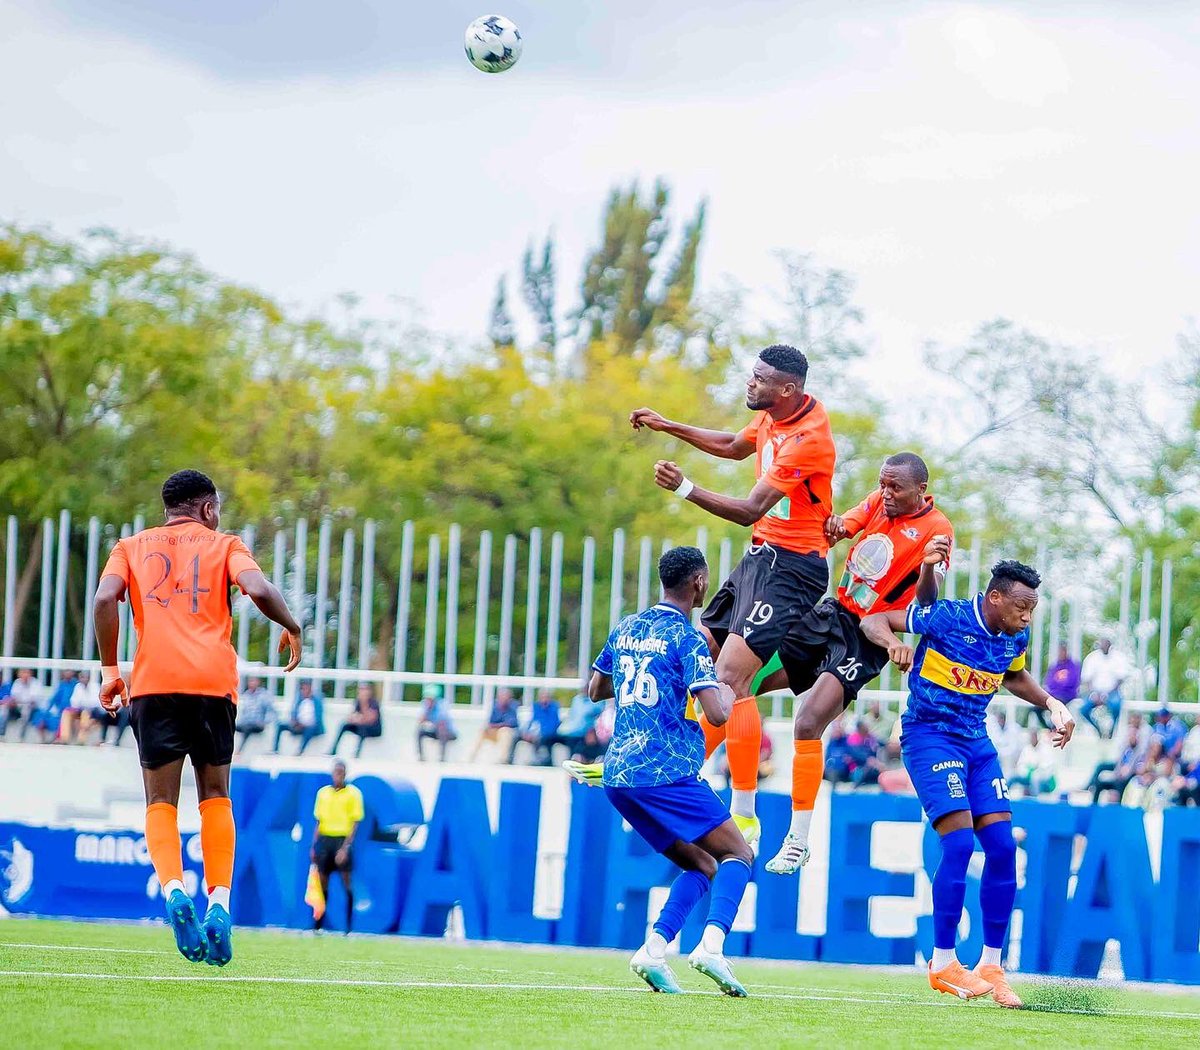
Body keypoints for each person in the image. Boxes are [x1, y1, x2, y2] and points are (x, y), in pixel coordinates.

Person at [93, 469, 303, 966]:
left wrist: (109, 672)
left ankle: (173, 892)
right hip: (212, 685)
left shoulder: (129, 546)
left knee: (160, 801)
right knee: (215, 796)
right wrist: (292, 625)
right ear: (206, 509)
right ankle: (220, 906)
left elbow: (105, 600)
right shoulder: (225, 544)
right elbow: (257, 588)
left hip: (154, 685)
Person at [629, 344, 837, 845]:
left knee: (729, 679)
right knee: (699, 655)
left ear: (787, 389)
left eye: (760, 378)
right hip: (760, 558)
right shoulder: (773, 416)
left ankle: (737, 809)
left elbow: (749, 509)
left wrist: (684, 489)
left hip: (794, 570)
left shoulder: (807, 439)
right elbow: (732, 445)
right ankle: (658, 762)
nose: (750, 382)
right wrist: (668, 425)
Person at [861, 559, 1075, 1008]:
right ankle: (942, 963)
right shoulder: (948, 616)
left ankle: (992, 967)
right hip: (930, 737)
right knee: (958, 846)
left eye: (1033, 608)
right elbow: (874, 617)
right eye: (1022, 605)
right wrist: (893, 643)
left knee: (1001, 848)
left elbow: (1014, 675)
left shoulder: (1015, 634)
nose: (1028, 616)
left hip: (977, 743)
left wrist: (1053, 704)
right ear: (995, 597)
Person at [761, 453, 954, 875]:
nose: (885, 493)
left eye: (895, 488)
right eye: (882, 484)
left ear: (921, 489)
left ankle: (797, 840)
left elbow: (927, 602)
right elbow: (841, 527)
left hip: (869, 637)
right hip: (833, 614)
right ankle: (685, 760)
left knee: (807, 723)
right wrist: (830, 528)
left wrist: (926, 567)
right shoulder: (877, 502)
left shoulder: (937, 529)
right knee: (743, 682)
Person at [589, 545, 753, 997]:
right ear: (698, 582)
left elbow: (595, 688)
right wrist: (733, 684)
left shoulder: (627, 626)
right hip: (665, 770)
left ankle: (653, 950)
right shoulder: (686, 637)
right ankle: (712, 947)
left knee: (701, 864)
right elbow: (718, 715)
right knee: (739, 854)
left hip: (619, 776)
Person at [310, 759, 364, 933]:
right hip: (325, 839)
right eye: (336, 771)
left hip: (341, 839)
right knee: (322, 883)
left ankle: (348, 927)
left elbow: (355, 823)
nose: (338, 775)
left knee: (346, 882)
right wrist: (314, 846)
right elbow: (318, 821)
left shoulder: (353, 794)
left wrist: (345, 848)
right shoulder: (323, 793)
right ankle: (318, 925)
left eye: (341, 771)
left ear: (345, 773)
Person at [1079, 637, 1129, 738]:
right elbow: (1087, 680)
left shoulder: (1118, 658)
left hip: (1112, 692)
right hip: (1094, 692)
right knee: (1083, 709)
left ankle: (1111, 730)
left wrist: (1106, 694)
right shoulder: (1092, 658)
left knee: (1116, 706)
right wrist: (1094, 693)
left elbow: (1120, 679)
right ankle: (1098, 729)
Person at [508, 689, 562, 765]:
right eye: (542, 697)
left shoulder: (553, 707)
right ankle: (509, 759)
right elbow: (532, 720)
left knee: (540, 738)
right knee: (516, 736)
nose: (544, 699)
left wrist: (538, 733)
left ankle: (541, 760)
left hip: (547, 734)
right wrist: (526, 732)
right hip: (534, 731)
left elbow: (553, 724)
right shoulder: (536, 706)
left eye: (546, 697)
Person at [329, 683, 382, 758]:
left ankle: (356, 755)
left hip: (373, 730)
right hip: (361, 725)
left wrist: (364, 703)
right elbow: (352, 717)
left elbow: (370, 719)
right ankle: (333, 750)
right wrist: (358, 718)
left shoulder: (374, 703)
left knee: (363, 728)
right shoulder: (358, 701)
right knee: (345, 725)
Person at [548, 691, 602, 763]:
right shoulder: (576, 700)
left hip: (583, 733)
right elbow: (572, 715)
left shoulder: (597, 703)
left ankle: (576, 761)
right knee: (548, 738)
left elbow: (594, 716)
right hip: (568, 731)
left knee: (577, 742)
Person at [273, 680, 325, 755]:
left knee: (310, 728)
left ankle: (300, 750)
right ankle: (275, 749)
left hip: (311, 727)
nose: (303, 691)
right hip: (299, 725)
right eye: (302, 689)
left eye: (305, 689)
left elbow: (317, 719)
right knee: (281, 725)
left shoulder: (317, 701)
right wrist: (294, 721)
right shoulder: (299, 699)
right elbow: (293, 712)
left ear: (310, 689)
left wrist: (305, 724)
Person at [470, 687, 520, 761]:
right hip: (495, 732)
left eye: (506, 697)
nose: (503, 699)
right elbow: (490, 722)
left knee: (505, 731)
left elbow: (511, 723)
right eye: (501, 697)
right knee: (482, 731)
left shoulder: (513, 706)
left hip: (508, 733)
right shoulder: (494, 706)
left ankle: (503, 759)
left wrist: (497, 725)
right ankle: (471, 757)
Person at [28, 670, 78, 742]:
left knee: (62, 717)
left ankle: (59, 738)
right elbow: (53, 699)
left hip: (71, 710)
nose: (67, 674)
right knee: (40, 716)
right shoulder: (61, 685)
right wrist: (47, 711)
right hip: (59, 711)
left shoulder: (75, 685)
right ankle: (43, 740)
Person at [1039, 645, 1081, 728]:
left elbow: (1072, 682)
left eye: (1062, 651)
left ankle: (1056, 728)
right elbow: (1049, 682)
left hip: (1067, 694)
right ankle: (1048, 728)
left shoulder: (1073, 666)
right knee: (1036, 708)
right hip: (1054, 694)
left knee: (1057, 704)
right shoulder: (1055, 666)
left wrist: (1058, 689)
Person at [415, 685, 457, 761]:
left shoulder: (442, 705)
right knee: (420, 731)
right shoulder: (425, 705)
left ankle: (442, 759)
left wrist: (429, 718)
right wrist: (427, 711)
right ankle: (421, 757)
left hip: (449, 733)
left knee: (442, 730)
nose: (428, 700)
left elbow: (442, 722)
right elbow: (420, 721)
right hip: (436, 731)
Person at [235, 676, 274, 754]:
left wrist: (264, 722)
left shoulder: (264, 695)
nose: (252, 683)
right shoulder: (246, 695)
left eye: (253, 681)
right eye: (250, 681)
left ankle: (239, 751)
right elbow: (243, 712)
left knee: (247, 728)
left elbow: (270, 711)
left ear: (258, 682)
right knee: (230, 726)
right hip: (246, 723)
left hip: (258, 724)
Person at [5, 668, 43, 739]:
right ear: (19, 674)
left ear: (30, 674)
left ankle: (21, 736)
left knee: (26, 711)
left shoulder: (35, 683)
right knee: (5, 710)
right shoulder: (17, 682)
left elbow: (33, 700)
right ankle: (2, 734)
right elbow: (14, 697)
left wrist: (23, 703)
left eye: (27, 673)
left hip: (32, 708)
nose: (25, 675)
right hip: (18, 707)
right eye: (23, 673)